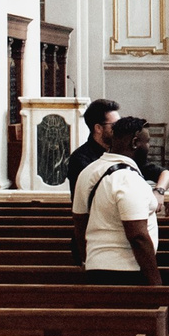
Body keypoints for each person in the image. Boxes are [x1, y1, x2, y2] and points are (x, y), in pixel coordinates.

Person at [73, 114, 161, 284]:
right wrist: (155, 282)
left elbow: (79, 223)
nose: (149, 147)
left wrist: (89, 259)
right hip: (127, 272)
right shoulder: (129, 179)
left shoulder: (88, 172)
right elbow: (137, 236)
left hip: (95, 268)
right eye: (147, 142)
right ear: (135, 142)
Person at [66, 97, 117, 262]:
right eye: (114, 125)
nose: (119, 129)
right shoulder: (80, 159)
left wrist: (159, 190)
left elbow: (158, 171)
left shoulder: (118, 152)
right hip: (91, 241)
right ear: (98, 128)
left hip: (111, 238)